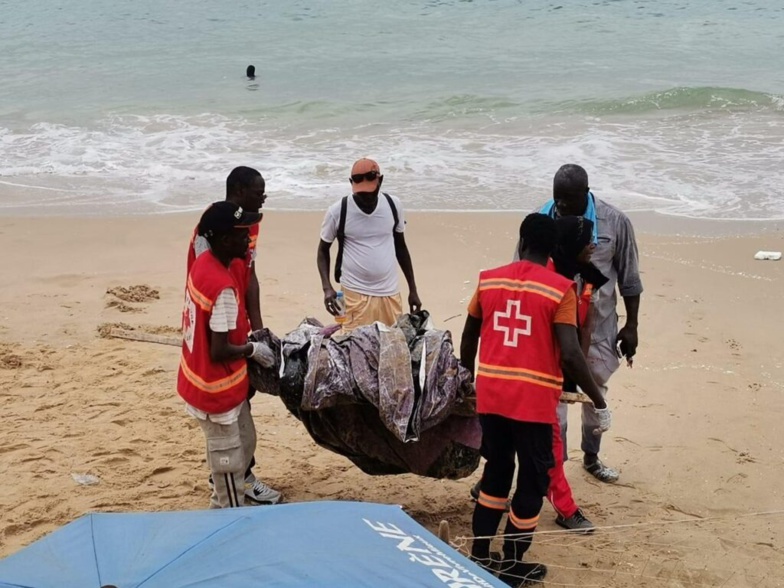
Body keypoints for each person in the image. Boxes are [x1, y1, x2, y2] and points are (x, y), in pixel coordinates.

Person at [460, 213, 611, 586]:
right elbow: (572, 354)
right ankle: (512, 566)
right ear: (551, 249)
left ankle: (480, 555)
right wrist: (598, 400)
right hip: (533, 403)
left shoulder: (488, 279)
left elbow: (468, 340)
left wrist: (470, 379)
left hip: (492, 397)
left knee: (496, 472)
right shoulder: (560, 289)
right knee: (532, 481)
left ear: (523, 240)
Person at [533, 164, 643, 483]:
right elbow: (523, 269)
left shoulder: (616, 222)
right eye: (558, 199)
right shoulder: (540, 220)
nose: (562, 207)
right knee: (556, 397)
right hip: (552, 326)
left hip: (600, 326)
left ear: (587, 192)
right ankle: (558, 466)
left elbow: (630, 279)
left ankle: (592, 457)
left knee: (596, 388)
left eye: (570, 200)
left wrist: (632, 325)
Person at [186, 166, 281, 505]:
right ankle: (232, 481)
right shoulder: (213, 234)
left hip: (234, 324)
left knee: (243, 407)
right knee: (226, 425)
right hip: (220, 325)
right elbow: (207, 294)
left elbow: (250, 274)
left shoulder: (246, 225)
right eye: (259, 192)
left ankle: (240, 473)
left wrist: (257, 329)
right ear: (239, 190)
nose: (263, 199)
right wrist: (247, 347)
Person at [317, 158, 422, 332]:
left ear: (380, 181)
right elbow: (322, 251)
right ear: (351, 183)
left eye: (370, 192)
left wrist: (413, 289)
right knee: (355, 350)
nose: (366, 197)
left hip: (390, 294)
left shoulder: (393, 205)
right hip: (354, 295)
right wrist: (327, 288)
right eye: (361, 193)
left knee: (391, 349)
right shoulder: (338, 211)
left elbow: (401, 248)